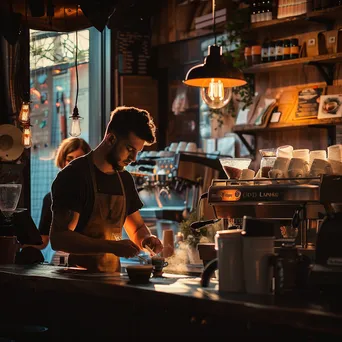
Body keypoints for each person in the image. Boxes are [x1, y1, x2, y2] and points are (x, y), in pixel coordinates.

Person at [50, 106, 163, 272]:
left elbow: (137, 228)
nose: (133, 158)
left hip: (112, 279)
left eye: (137, 152)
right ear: (110, 139)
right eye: (130, 149)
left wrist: (146, 239)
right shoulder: (74, 176)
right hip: (76, 281)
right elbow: (60, 238)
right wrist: (112, 246)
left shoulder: (124, 180)